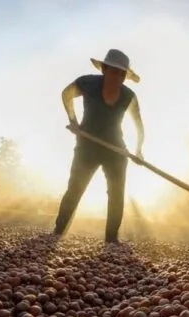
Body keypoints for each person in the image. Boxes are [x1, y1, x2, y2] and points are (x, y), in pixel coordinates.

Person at [53, 49, 145, 244]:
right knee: (75, 188)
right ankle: (57, 231)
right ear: (104, 69)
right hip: (87, 146)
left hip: (116, 150)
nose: (118, 77)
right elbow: (66, 94)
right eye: (114, 72)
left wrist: (138, 150)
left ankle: (111, 240)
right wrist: (73, 121)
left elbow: (138, 124)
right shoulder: (87, 84)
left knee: (116, 193)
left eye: (122, 74)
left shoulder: (129, 96)